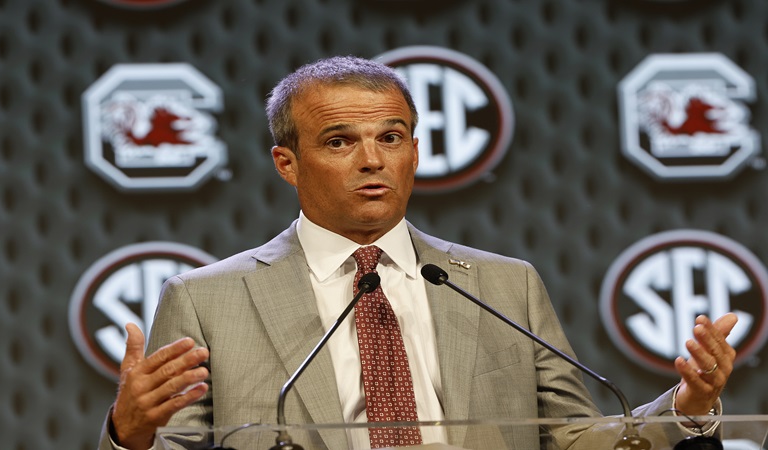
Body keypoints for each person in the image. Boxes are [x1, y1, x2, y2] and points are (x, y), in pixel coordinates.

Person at [98, 55, 738, 450]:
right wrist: (129, 435)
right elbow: (171, 447)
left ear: (416, 153)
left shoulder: (502, 285)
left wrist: (685, 408)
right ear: (286, 163)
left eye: (392, 136)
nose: (372, 159)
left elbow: (571, 439)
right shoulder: (209, 299)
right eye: (340, 141)